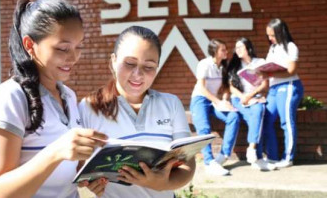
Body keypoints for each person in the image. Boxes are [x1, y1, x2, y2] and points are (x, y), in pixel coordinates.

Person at [0, 0, 108, 198]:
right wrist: (56, 152)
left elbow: (62, 171)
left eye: (79, 46)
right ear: (30, 44)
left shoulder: (69, 96)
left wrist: (89, 173)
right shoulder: (6, 100)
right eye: (63, 48)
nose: (73, 58)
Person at [78, 26, 196, 198]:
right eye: (130, 63)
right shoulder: (89, 107)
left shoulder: (171, 103)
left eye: (148, 66)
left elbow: (187, 164)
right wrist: (90, 183)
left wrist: (163, 184)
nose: (138, 74)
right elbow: (78, 167)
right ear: (113, 60)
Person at [190, 39, 240, 176]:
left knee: (234, 116)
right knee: (204, 128)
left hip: (214, 101)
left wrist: (224, 100)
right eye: (223, 50)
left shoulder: (224, 67)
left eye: (226, 49)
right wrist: (218, 102)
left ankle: (224, 155)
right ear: (215, 51)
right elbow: (201, 88)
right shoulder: (204, 64)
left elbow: (226, 88)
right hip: (200, 99)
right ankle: (209, 162)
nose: (226, 52)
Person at [226, 37, 275, 171]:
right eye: (236, 48)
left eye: (241, 47)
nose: (238, 50)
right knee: (256, 118)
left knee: (258, 111)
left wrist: (250, 95)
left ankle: (252, 148)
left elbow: (265, 84)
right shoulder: (235, 65)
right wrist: (243, 96)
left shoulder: (259, 62)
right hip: (239, 98)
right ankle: (257, 158)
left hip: (255, 97)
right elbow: (231, 87)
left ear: (248, 48)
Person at [262, 18, 304, 168]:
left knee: (286, 122)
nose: (270, 38)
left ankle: (288, 158)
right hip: (273, 89)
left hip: (288, 86)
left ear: (280, 32)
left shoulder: (291, 47)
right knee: (266, 119)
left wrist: (271, 74)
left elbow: (291, 71)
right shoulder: (272, 48)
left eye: (272, 35)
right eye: (268, 35)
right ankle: (272, 156)